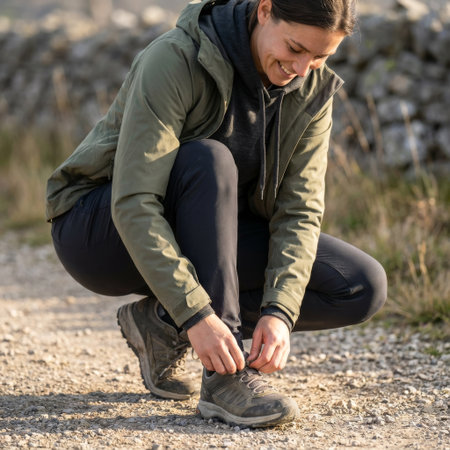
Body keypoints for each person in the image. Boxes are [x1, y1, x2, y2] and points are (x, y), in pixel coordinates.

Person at [46, 0, 387, 428]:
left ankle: (160, 323)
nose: (302, 69)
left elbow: (298, 212)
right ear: (265, 10)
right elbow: (134, 201)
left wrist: (279, 311)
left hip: (207, 234)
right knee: (208, 160)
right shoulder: (175, 59)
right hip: (98, 230)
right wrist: (197, 315)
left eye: (320, 57)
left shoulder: (311, 88)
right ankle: (225, 379)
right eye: (296, 48)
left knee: (359, 285)